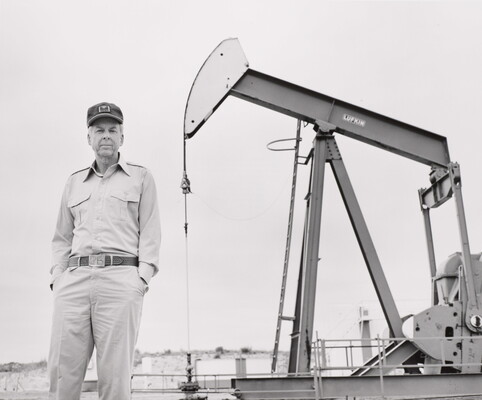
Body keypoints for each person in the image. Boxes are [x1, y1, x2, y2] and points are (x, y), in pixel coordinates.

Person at [48, 102, 161, 400]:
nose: (106, 136)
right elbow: (61, 237)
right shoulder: (73, 182)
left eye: (113, 130)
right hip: (73, 281)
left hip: (121, 281)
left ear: (123, 137)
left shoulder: (141, 178)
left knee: (115, 378)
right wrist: (57, 280)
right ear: (89, 138)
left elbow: (151, 232)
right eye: (99, 130)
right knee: (61, 372)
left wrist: (141, 279)